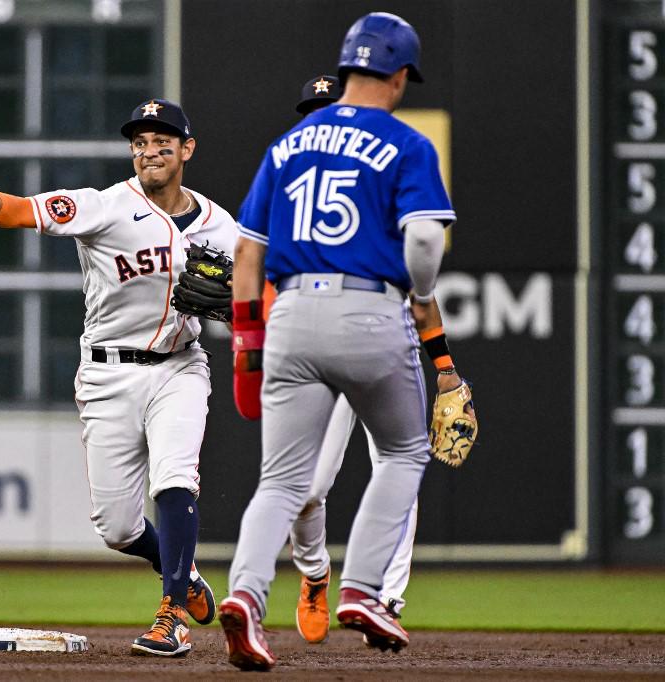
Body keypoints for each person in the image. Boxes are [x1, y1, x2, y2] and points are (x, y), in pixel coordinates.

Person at [0, 99, 239, 658]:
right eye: (140, 143)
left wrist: (242, 310)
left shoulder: (221, 224)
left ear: (186, 150)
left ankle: (171, 615)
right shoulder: (106, 206)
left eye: (163, 142)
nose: (150, 151)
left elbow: (250, 297)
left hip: (180, 366)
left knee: (175, 477)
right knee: (117, 528)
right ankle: (181, 570)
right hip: (107, 373)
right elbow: (26, 211)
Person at [219, 13, 469, 670]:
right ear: (399, 75)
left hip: (291, 315)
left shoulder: (287, 144)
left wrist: (247, 341)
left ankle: (244, 597)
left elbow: (247, 254)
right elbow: (424, 238)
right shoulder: (406, 142)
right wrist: (419, 291)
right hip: (369, 311)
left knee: (281, 481)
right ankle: (361, 590)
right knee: (404, 453)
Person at [287, 74, 420, 646]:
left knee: (398, 463)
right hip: (317, 349)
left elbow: (418, 278)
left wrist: (440, 362)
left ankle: (384, 599)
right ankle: (315, 572)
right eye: (312, 114)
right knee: (307, 489)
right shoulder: (287, 188)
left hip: (382, 340)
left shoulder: (388, 183)